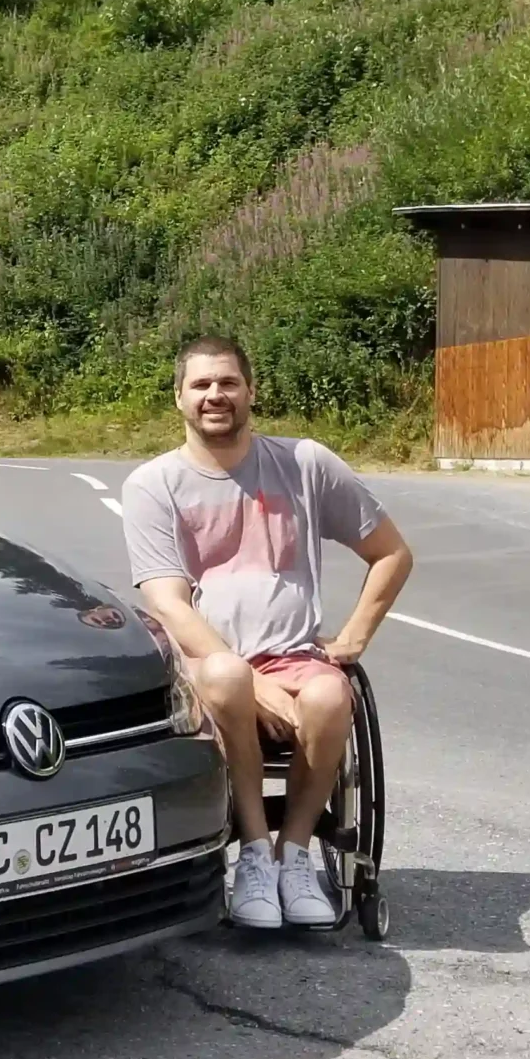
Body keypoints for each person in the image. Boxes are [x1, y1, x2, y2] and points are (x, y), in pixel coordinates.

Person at [119, 336, 413, 929]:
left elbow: (392, 554)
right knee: (228, 675)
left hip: (294, 656)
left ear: (251, 391)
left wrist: (353, 639)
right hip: (207, 668)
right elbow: (169, 606)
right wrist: (255, 684)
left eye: (228, 382)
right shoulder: (153, 484)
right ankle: (254, 852)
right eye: (201, 385)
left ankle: (293, 855)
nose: (215, 395)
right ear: (179, 398)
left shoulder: (305, 464)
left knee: (330, 694)